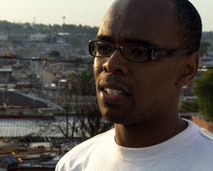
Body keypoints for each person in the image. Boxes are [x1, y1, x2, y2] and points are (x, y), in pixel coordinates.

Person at [55, 0, 213, 170]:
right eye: (103, 47)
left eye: (139, 52)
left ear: (186, 70)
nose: (111, 63)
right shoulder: (73, 164)